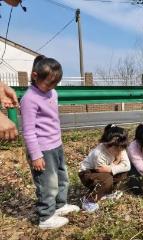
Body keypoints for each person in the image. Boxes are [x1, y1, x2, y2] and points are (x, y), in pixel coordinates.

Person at [20, 57, 79, 230]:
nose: (51, 87)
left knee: (62, 178)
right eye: (48, 83)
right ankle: (46, 216)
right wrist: (36, 155)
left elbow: (52, 120)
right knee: (47, 183)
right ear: (35, 75)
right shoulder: (29, 99)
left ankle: (60, 206)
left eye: (55, 83)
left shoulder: (52, 93)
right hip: (42, 150)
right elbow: (28, 131)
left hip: (56, 145)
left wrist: (59, 142)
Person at [79, 124, 131, 213]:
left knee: (123, 172)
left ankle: (106, 192)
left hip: (105, 170)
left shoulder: (120, 147)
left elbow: (127, 165)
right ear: (107, 144)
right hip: (87, 173)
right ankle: (89, 199)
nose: (120, 150)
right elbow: (101, 170)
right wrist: (117, 163)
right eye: (117, 148)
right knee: (107, 178)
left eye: (122, 148)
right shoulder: (99, 153)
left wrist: (113, 166)